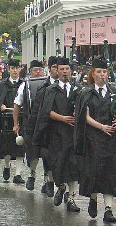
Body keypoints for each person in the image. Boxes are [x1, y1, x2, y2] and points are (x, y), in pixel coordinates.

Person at [74, 59, 116, 223]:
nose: (102, 75)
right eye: (99, 72)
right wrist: (101, 126)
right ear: (93, 74)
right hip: (93, 139)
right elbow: (84, 117)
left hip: (112, 140)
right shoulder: (86, 93)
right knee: (94, 171)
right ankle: (93, 199)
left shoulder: (115, 92)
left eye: (104, 72)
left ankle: (108, 209)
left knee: (111, 173)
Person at [35, 57, 81, 212]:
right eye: (62, 69)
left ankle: (71, 198)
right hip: (57, 134)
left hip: (73, 134)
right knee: (58, 164)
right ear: (57, 71)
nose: (65, 72)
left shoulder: (77, 89)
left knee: (74, 167)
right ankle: (60, 187)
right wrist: (62, 118)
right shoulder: (51, 90)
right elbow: (45, 111)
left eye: (67, 69)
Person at [0, 59, 25, 184]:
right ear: (8, 70)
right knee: (7, 148)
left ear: (20, 69)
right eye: (12, 68)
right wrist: (0, 106)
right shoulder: (2, 86)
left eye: (17, 68)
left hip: (21, 119)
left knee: (20, 146)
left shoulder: (24, 85)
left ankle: (18, 174)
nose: (15, 70)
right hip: (5, 122)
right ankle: (7, 166)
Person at [13, 59, 48, 191]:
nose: (38, 72)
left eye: (40, 70)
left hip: (46, 125)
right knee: (32, 153)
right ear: (30, 72)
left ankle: (46, 181)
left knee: (47, 154)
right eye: (35, 70)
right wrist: (16, 124)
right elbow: (17, 105)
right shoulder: (25, 86)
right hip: (30, 124)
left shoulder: (49, 84)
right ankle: (32, 174)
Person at [29, 56, 59, 196]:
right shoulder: (41, 87)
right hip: (44, 127)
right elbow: (35, 111)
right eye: (55, 67)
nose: (59, 70)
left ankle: (59, 186)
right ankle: (47, 180)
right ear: (50, 69)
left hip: (62, 128)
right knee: (46, 155)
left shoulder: (70, 87)